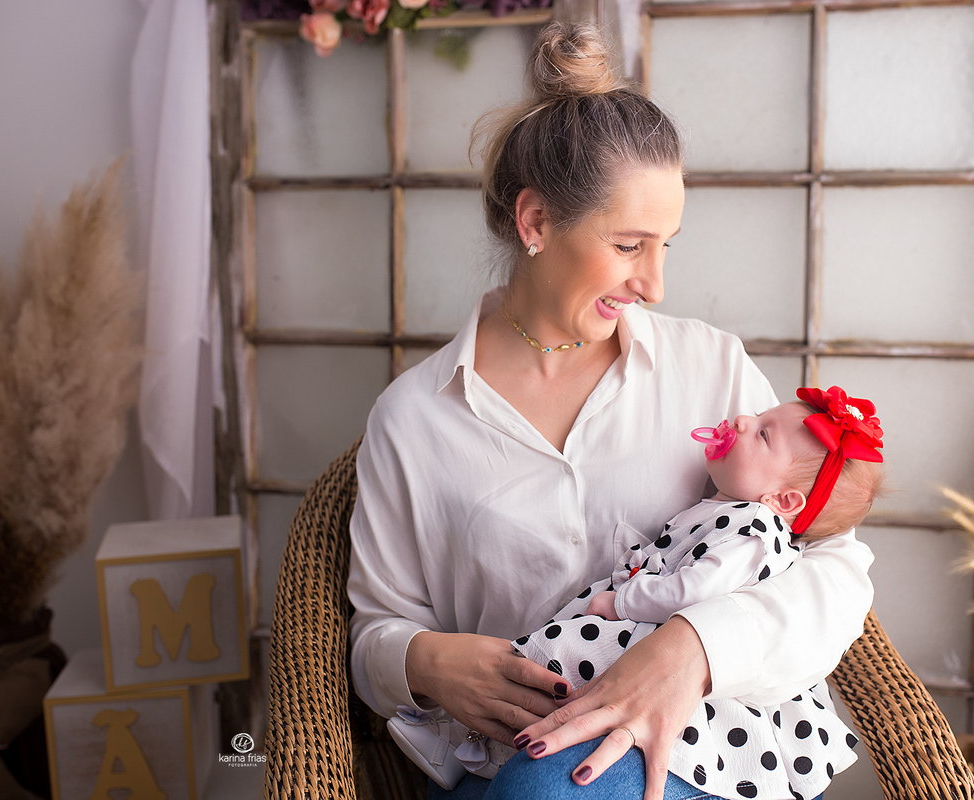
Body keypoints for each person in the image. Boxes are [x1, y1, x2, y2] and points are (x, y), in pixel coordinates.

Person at [346, 21, 875, 800]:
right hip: (513, 763)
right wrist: (422, 661)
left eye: (667, 246)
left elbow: (835, 568)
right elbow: (372, 631)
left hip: (708, 753)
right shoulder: (412, 420)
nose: (654, 283)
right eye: (630, 245)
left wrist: (693, 648)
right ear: (535, 224)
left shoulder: (709, 367)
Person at [386, 388, 884, 800]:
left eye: (763, 432)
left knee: (556, 666)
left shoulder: (754, 525)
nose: (742, 416)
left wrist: (625, 600)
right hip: (641, 636)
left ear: (783, 501)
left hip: (679, 667)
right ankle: (465, 745)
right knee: (532, 677)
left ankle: (456, 744)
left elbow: (698, 589)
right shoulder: (725, 508)